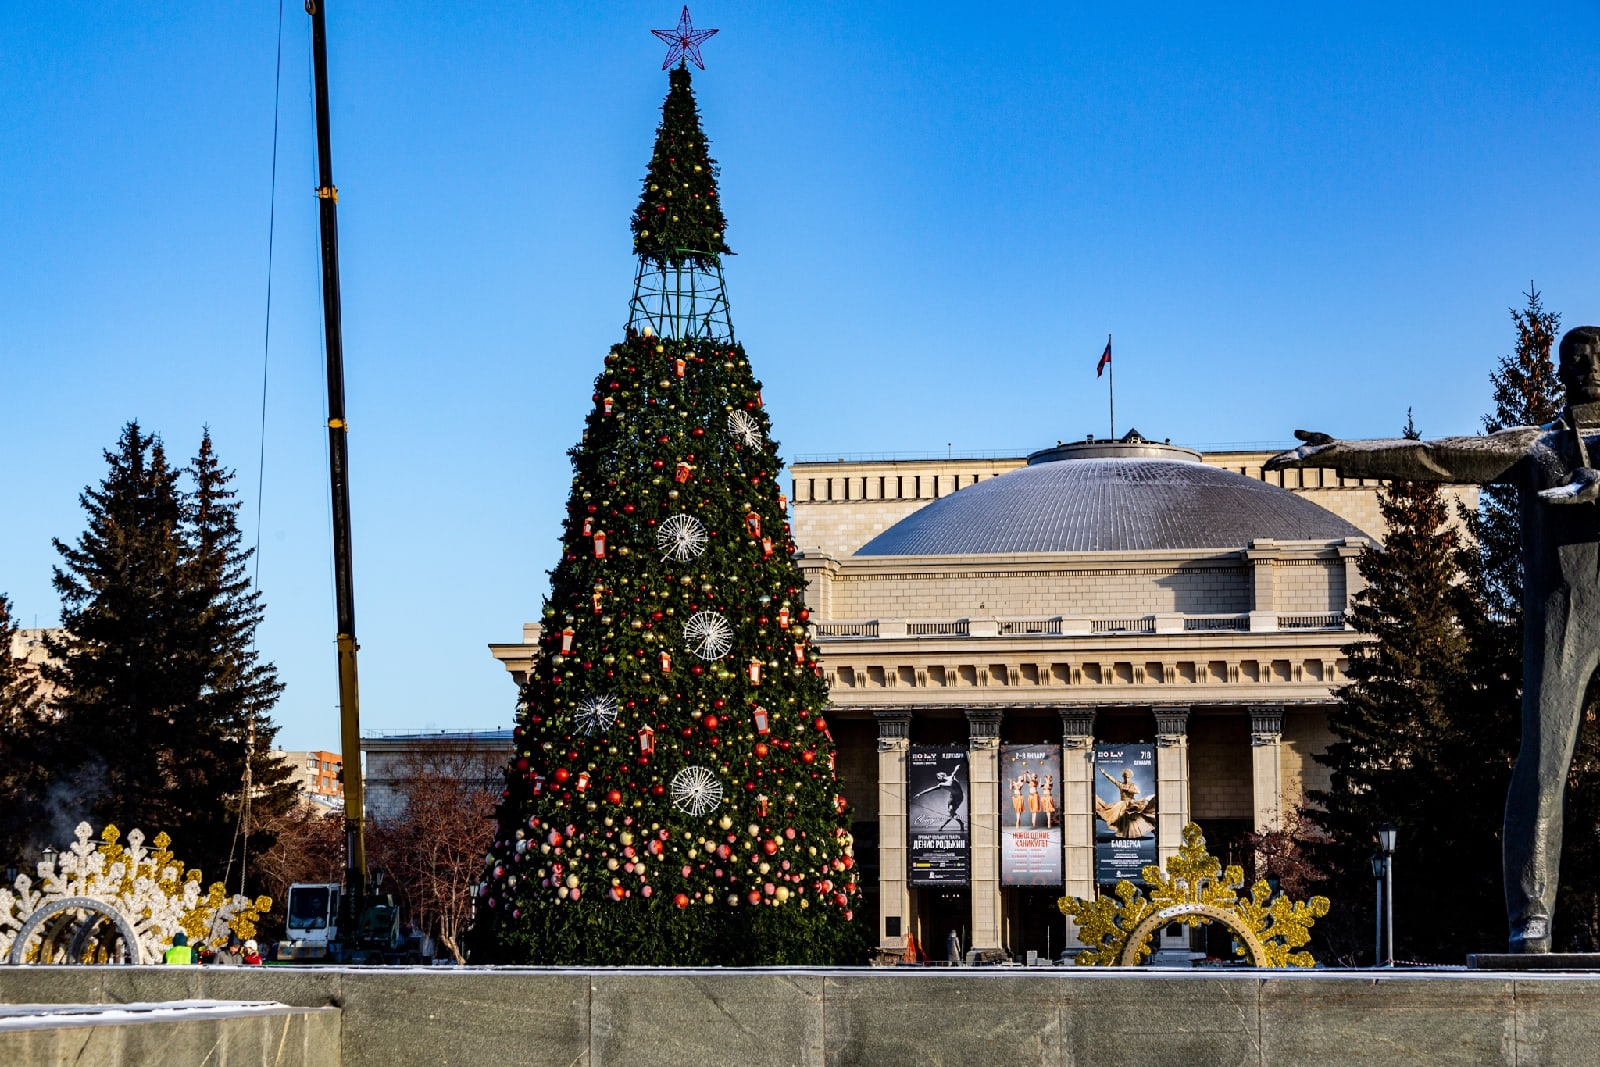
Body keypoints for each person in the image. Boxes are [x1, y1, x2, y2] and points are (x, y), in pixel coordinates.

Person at [1268, 326, 1600, 952]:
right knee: (1542, 763)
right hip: (1565, 615)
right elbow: (1434, 456)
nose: (1587, 369)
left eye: (1596, 360)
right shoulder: (1539, 445)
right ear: (1561, 371)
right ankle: (1532, 917)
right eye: (1576, 360)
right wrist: (1342, 453)